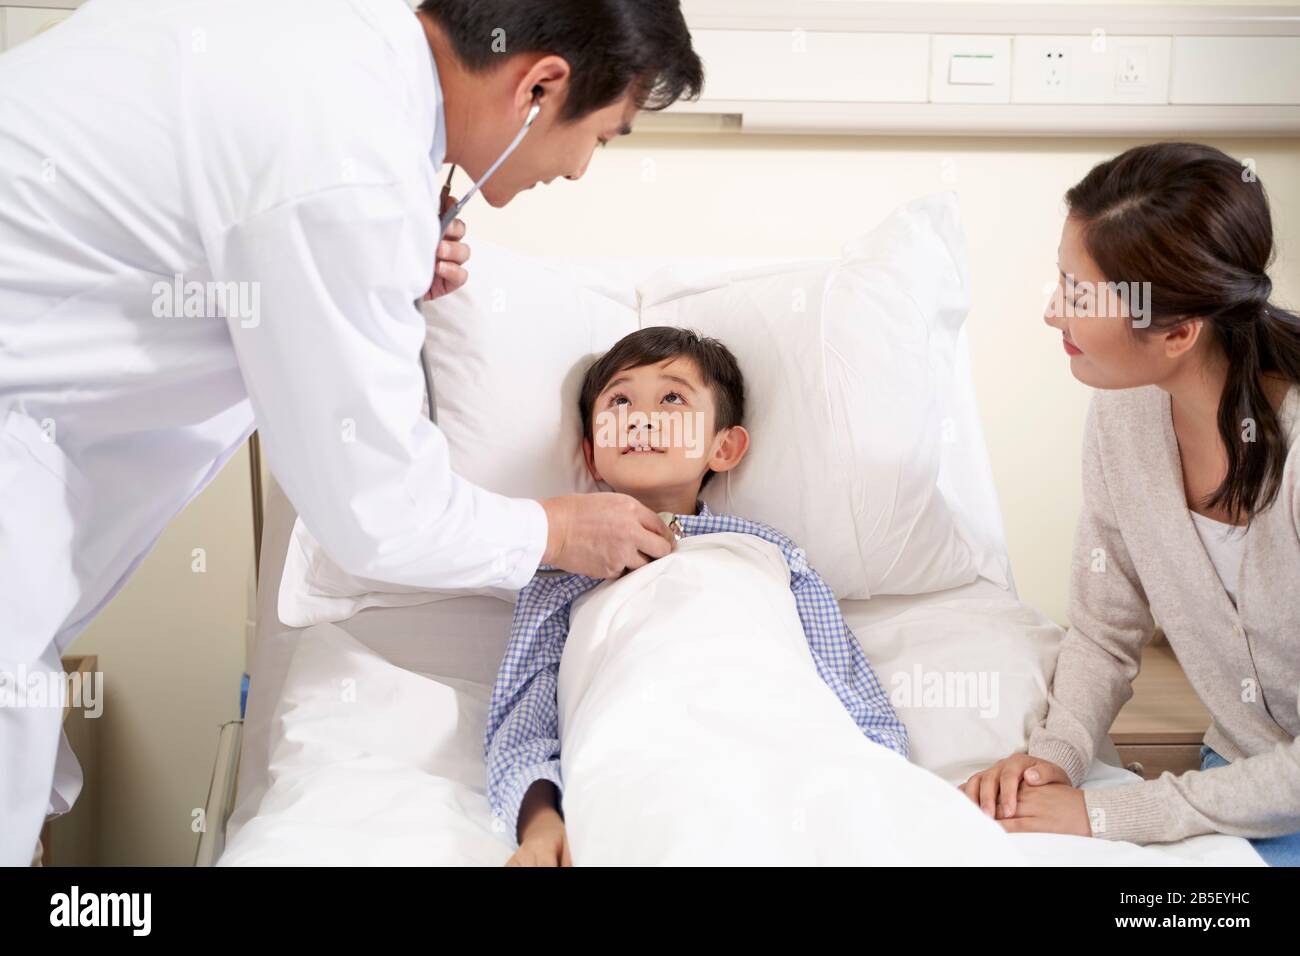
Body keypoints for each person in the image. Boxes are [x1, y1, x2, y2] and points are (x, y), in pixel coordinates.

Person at [0, 0, 702, 865]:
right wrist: (553, 529)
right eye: (605, 135)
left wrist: (381, 268)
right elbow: (376, 511)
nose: (582, 169)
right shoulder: (349, 174)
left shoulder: (339, 69)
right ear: (541, 87)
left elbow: (241, 237)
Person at [961, 142, 1300, 865]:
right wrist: (1055, 760)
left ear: (1177, 333)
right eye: (1062, 280)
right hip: (1242, 792)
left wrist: (1110, 815)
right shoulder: (1125, 420)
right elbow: (1104, 631)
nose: (1054, 313)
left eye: (1079, 296)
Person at [483, 327, 909, 866]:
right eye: (619, 400)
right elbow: (524, 717)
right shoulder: (560, 569)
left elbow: (848, 688)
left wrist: (887, 790)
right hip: (636, 759)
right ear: (591, 454)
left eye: (672, 398)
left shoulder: (770, 552)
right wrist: (540, 825)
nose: (641, 416)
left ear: (723, 447)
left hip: (792, 750)